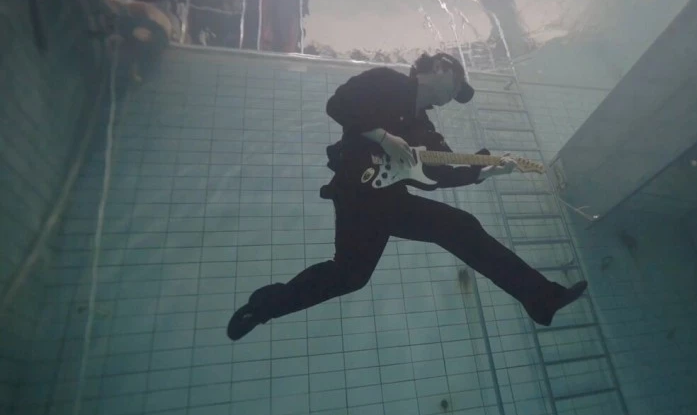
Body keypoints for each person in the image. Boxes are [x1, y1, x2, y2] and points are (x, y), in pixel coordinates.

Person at [227, 52, 587, 341]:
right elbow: (338, 104)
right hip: (357, 193)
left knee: (459, 227)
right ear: (440, 67)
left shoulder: (426, 131)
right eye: (457, 85)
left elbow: (441, 174)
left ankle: (541, 298)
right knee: (350, 276)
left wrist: (488, 170)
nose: (454, 96)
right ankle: (264, 307)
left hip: (391, 200)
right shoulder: (387, 82)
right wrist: (384, 138)